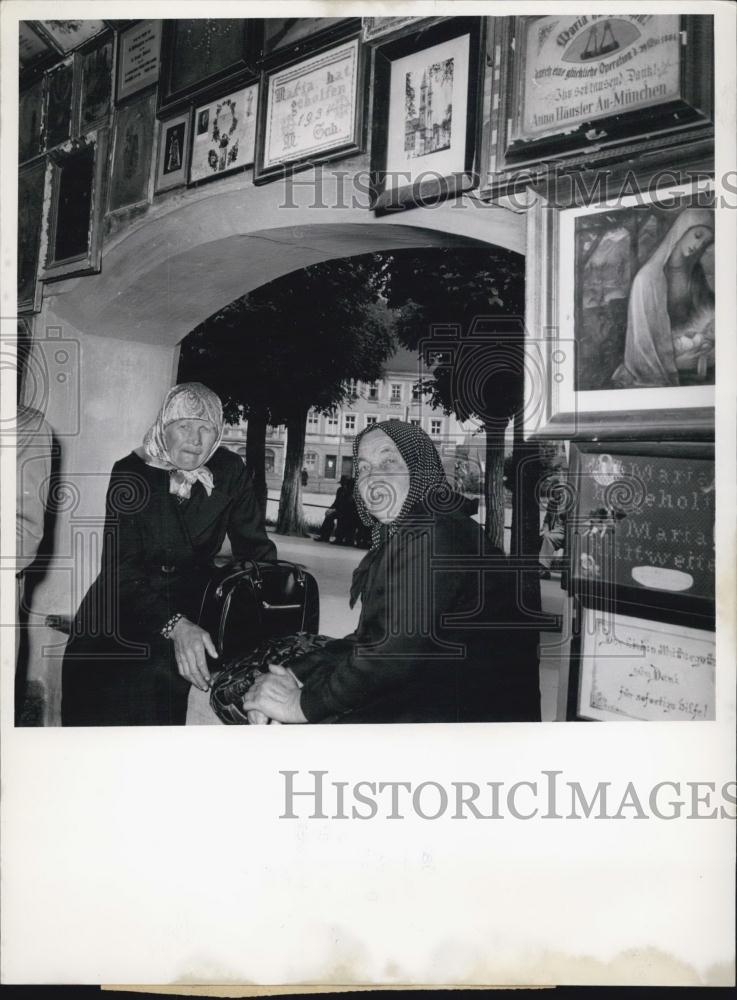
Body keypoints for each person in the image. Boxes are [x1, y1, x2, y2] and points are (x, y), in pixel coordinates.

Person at [241, 419, 541, 724]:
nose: (374, 478)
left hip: (468, 728)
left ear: (419, 467)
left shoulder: (432, 531)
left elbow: (390, 655)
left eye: (388, 461)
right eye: (365, 468)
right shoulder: (428, 525)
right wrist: (294, 675)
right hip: (444, 701)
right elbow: (370, 639)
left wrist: (298, 705)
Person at [62, 383, 276, 726]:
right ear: (165, 427)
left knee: (164, 696)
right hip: (124, 603)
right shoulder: (130, 471)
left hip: (190, 598)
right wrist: (175, 626)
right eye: (184, 426)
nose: (195, 438)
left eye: (206, 428)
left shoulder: (229, 470)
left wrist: (270, 633)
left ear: (218, 432)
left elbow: (256, 550)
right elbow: (120, 567)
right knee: (103, 700)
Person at [611, 208, 714, 388]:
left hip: (694, 352)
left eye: (705, 243)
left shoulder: (695, 274)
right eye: (697, 236)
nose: (698, 246)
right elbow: (642, 347)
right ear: (681, 230)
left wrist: (705, 342)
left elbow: (709, 317)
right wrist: (676, 364)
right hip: (662, 361)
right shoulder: (646, 280)